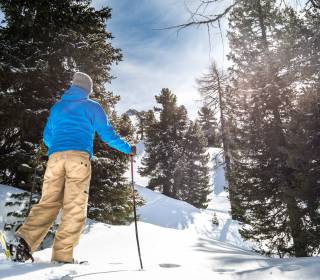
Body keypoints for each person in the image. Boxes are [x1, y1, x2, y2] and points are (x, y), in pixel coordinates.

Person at [12, 72, 136, 263]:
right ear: (87, 89)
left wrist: (60, 146)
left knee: (48, 202)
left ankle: (24, 242)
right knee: (74, 207)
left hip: (55, 158)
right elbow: (107, 134)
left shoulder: (58, 107)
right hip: (78, 159)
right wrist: (128, 149)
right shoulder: (92, 107)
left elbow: (47, 137)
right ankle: (62, 256)